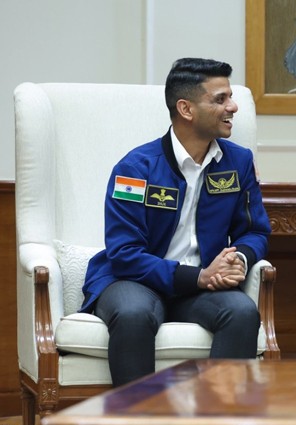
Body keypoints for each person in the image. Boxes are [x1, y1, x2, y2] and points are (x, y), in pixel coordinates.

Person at [80, 57, 272, 387]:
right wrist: (198, 276)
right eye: (220, 99)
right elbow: (125, 253)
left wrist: (238, 258)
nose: (233, 107)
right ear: (186, 109)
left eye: (230, 97)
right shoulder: (136, 168)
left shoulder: (238, 162)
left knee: (241, 312)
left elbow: (254, 230)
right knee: (133, 314)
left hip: (202, 288)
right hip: (134, 281)